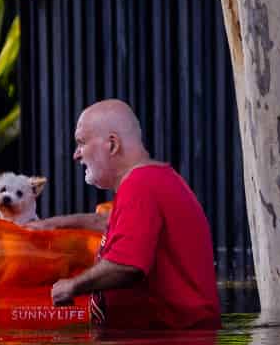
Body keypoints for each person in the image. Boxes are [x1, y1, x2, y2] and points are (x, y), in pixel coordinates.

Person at [34, 99, 220, 329]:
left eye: (81, 143)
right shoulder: (153, 180)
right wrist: (50, 225)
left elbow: (127, 265)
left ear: (112, 145)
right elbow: (107, 223)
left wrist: (72, 286)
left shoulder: (140, 185)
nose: (76, 155)